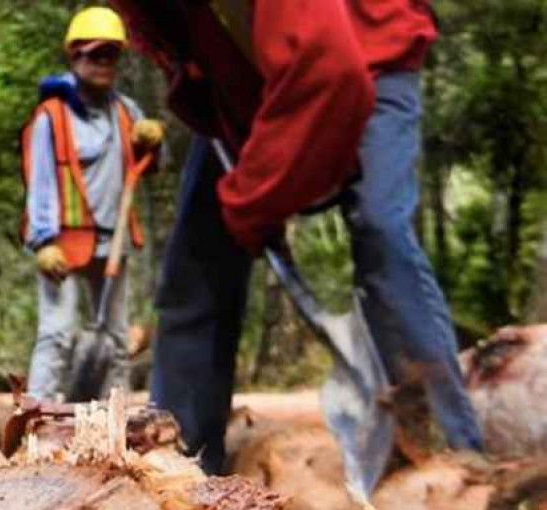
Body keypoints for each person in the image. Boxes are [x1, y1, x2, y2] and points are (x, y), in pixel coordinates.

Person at [106, 1, 484, 473]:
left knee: (381, 232)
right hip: (250, 88)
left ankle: (455, 457)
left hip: (368, 58)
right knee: (197, 264)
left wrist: (253, 202)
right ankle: (176, 465)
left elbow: (330, 72)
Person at [21, 7, 165, 401]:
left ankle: (111, 425)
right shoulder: (51, 117)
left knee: (116, 339)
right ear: (75, 55)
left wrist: (152, 144)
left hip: (112, 241)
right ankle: (38, 420)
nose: (103, 63)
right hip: (63, 242)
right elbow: (41, 181)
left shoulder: (126, 112)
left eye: (111, 54)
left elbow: (147, 170)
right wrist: (42, 240)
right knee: (57, 334)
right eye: (95, 53)